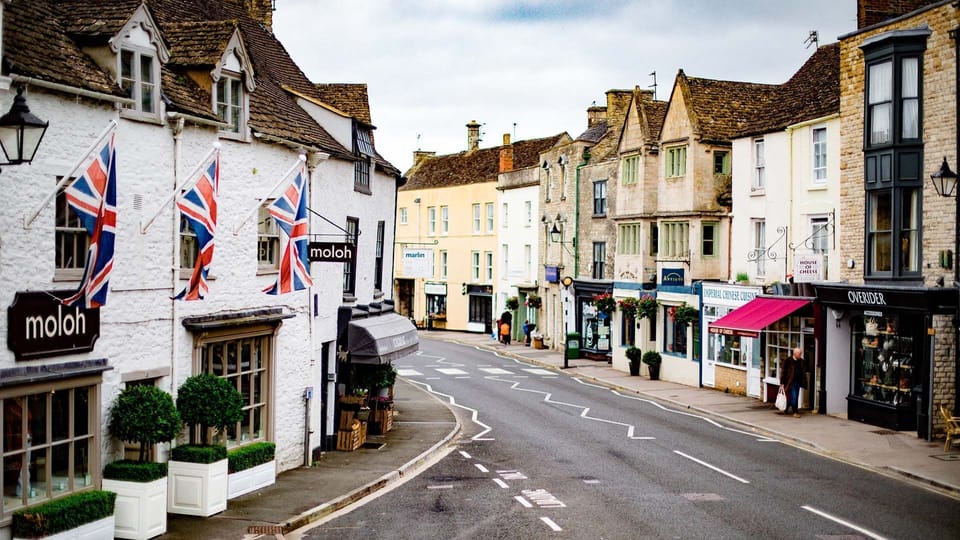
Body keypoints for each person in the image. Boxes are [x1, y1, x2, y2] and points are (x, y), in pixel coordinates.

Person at [781, 348, 803, 417]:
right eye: (799, 354)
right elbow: (783, 372)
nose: (800, 355)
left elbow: (803, 371)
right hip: (791, 382)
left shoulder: (801, 361)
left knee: (796, 396)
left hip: (798, 381)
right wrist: (782, 382)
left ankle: (786, 408)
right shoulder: (788, 360)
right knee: (794, 396)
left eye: (800, 353)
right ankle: (795, 412)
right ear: (795, 353)